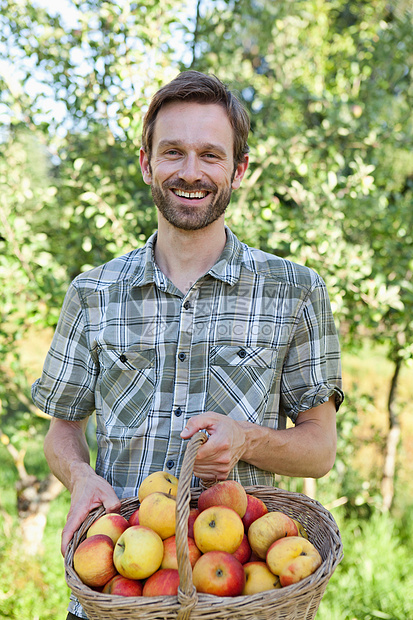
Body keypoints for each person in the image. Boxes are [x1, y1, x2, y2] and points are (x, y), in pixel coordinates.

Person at [32, 70, 344, 620]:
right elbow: (62, 432)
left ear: (238, 169)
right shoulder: (92, 293)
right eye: (173, 152)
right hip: (117, 597)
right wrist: (80, 477)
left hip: (244, 599)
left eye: (211, 155)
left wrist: (246, 440)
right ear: (148, 163)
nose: (191, 172)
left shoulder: (295, 291)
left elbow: (320, 450)